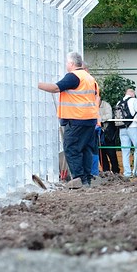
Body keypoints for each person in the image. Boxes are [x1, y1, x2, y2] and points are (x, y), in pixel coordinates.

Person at [38, 52, 99, 187]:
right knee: (86, 149)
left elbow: (55, 88)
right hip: (89, 119)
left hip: (76, 119)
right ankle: (86, 179)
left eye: (67, 63)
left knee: (71, 148)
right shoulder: (89, 78)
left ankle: (78, 178)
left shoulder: (73, 76)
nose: (66, 65)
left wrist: (38, 85)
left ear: (71, 64)